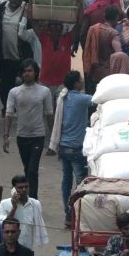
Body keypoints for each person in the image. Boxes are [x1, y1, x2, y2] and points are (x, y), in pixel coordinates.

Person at [4, 59, 53, 198]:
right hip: (22, 136)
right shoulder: (14, 92)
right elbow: (8, 114)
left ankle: (33, 200)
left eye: (30, 70)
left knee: (32, 170)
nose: (27, 74)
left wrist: (53, 139)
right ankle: (26, 195)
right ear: (21, 73)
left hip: (38, 136)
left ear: (36, 72)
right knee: (27, 169)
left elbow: (49, 114)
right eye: (24, 71)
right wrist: (6, 136)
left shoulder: (45, 91)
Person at [48, 72, 92, 227]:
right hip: (76, 148)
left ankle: (68, 215)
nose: (82, 82)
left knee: (66, 181)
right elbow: (99, 99)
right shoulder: (81, 99)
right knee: (81, 183)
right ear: (75, 84)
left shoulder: (63, 97)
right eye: (80, 81)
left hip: (64, 147)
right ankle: (77, 214)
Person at [0, 175, 48, 252]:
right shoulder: (4, 204)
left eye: (26, 187)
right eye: (20, 187)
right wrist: (14, 208)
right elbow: (3, 224)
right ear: (14, 189)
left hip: (27, 248)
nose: (24, 190)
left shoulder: (35, 204)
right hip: (8, 248)